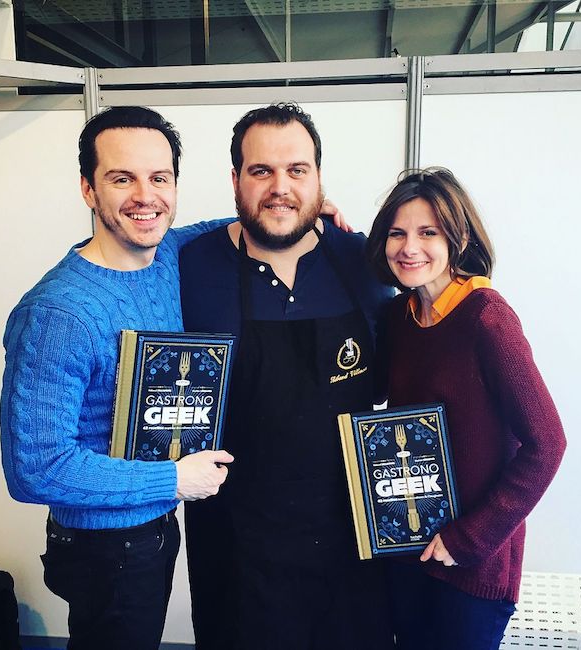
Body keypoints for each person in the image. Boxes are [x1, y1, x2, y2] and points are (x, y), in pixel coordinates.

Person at [0, 106, 235, 650]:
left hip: (148, 531)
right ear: (87, 189)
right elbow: (35, 469)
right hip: (103, 545)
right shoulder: (59, 313)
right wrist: (173, 480)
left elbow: (215, 227)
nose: (145, 197)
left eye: (159, 178)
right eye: (121, 178)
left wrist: (303, 209)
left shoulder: (166, 253)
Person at [179, 103, 394, 650]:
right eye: (261, 171)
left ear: (319, 180)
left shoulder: (366, 261)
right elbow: (114, 252)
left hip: (352, 537)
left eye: (297, 170)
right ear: (235, 181)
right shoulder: (187, 266)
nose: (281, 187)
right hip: (236, 543)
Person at [365, 167, 567, 650]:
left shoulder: (487, 318)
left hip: (473, 564)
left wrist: (470, 539)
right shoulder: (399, 315)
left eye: (427, 232)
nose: (409, 248)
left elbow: (548, 444)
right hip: (410, 548)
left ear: (457, 237)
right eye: (397, 233)